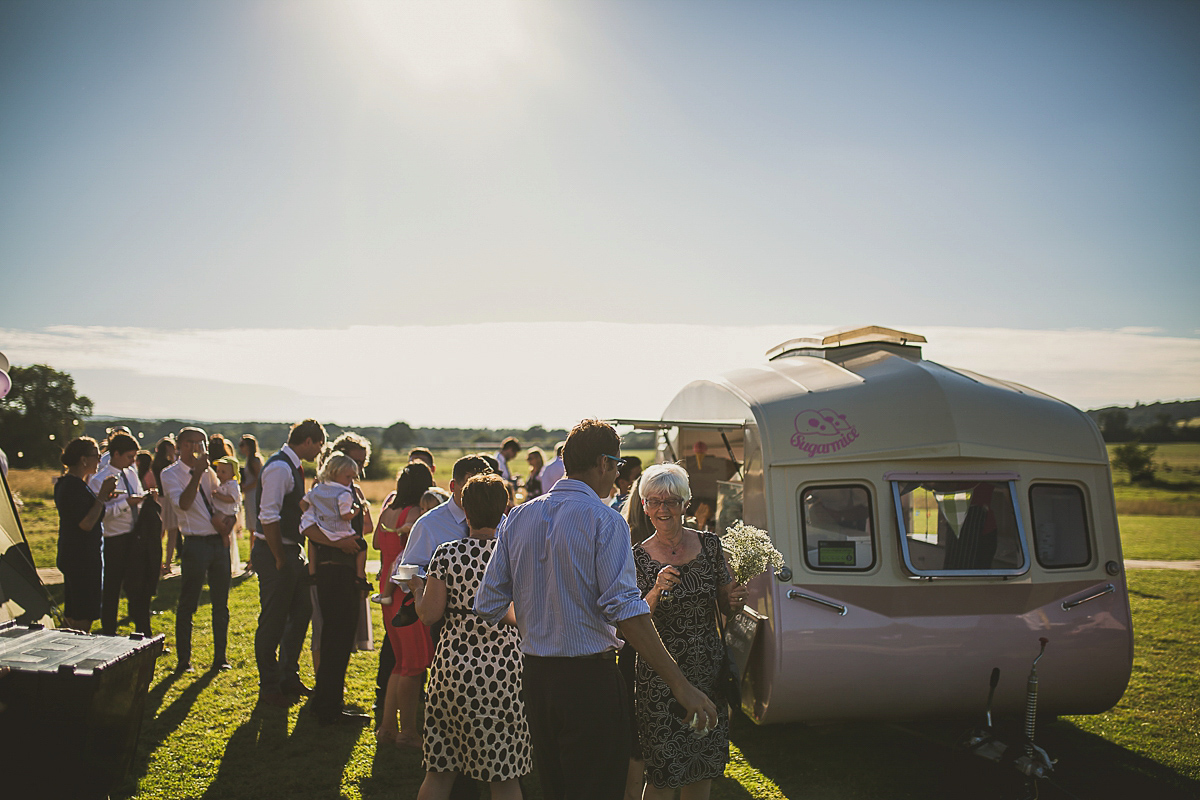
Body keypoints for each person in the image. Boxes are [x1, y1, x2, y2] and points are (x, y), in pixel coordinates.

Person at [476, 419, 718, 800]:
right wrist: (680, 684)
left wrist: (541, 618)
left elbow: (488, 605)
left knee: (557, 789)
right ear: (604, 463)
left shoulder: (518, 517)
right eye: (618, 466)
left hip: (537, 678)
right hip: (589, 680)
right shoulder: (605, 520)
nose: (618, 477)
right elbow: (626, 609)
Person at [408, 473, 532, 798]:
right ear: (504, 507)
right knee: (503, 776)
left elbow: (429, 614)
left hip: (452, 670)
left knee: (439, 771)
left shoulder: (446, 555)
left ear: (465, 509)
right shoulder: (516, 554)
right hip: (503, 672)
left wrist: (417, 587)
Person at [633, 463, 748, 798]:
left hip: (708, 671)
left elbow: (726, 606)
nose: (662, 509)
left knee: (702, 768)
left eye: (671, 501)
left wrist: (735, 600)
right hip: (660, 677)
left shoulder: (711, 546)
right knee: (662, 774)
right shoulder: (636, 558)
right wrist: (655, 590)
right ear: (644, 507)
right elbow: (634, 619)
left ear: (686, 504)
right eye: (654, 501)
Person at [253, 418, 326, 706]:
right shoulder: (280, 467)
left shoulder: (292, 466)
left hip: (289, 551)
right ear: (308, 441)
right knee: (272, 621)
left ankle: (288, 677)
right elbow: (267, 517)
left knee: (301, 613)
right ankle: (269, 687)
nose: (320, 450)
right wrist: (280, 558)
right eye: (319, 444)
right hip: (276, 552)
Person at [303, 431, 375, 726]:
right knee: (335, 638)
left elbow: (365, 526)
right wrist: (339, 543)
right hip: (334, 569)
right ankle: (328, 708)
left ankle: (326, 701)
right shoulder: (324, 491)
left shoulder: (348, 492)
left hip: (344, 571)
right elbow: (306, 528)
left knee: (339, 639)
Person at [372, 461, 436, 747]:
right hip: (405, 592)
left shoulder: (388, 509)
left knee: (400, 663)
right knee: (413, 666)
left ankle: (387, 727)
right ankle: (408, 732)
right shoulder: (414, 514)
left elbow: (375, 542)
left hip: (388, 590)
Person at [160, 427, 231, 672]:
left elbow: (221, 502)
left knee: (221, 602)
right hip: (195, 543)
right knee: (188, 603)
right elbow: (184, 503)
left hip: (218, 542)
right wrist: (197, 473)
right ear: (179, 445)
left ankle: (220, 658)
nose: (195, 448)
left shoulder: (211, 472)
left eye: (200, 443)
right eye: (190, 443)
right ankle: (184, 661)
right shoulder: (169, 474)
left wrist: (227, 524)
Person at [90, 432, 149, 636]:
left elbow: (138, 496)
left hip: (134, 535)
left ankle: (143, 632)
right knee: (112, 589)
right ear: (116, 454)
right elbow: (101, 515)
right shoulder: (99, 480)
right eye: (129, 456)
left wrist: (145, 499)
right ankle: (109, 632)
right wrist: (126, 504)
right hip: (113, 538)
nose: (133, 461)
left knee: (137, 588)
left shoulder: (131, 473)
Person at [55, 437, 117, 632]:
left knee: (73, 612)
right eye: (97, 456)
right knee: (83, 615)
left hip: (73, 554)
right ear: (83, 460)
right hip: (82, 558)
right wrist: (100, 496)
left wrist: (102, 498)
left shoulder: (68, 484)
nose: (100, 460)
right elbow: (86, 523)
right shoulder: (74, 487)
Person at [152, 437, 180, 575]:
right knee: (172, 532)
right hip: (168, 499)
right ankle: (167, 563)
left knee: (160, 534)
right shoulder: (169, 465)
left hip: (159, 499)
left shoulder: (155, 463)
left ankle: (158, 563)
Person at [238, 435, 264, 574]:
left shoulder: (254, 460)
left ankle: (253, 560)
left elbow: (259, 479)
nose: (240, 447)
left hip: (253, 496)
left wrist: (245, 488)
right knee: (252, 528)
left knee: (254, 528)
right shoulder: (250, 459)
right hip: (250, 496)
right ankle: (252, 558)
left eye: (242, 444)